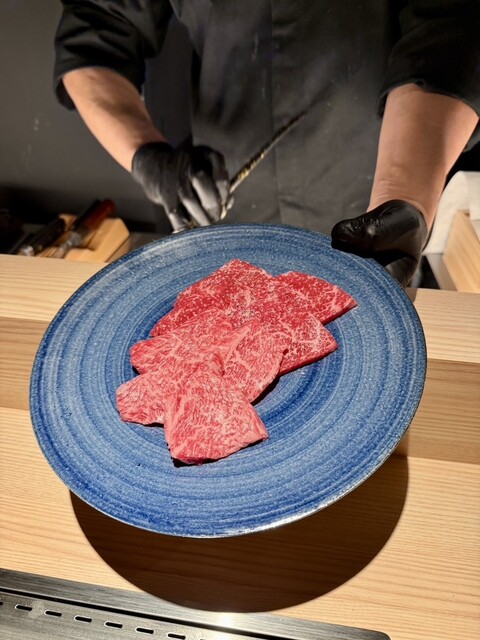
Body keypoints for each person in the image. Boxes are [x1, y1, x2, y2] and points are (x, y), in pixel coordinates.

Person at [54, 1, 480, 286]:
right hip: (227, 201)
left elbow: (451, 26)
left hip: (377, 182)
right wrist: (146, 155)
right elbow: (96, 28)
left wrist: (401, 198)